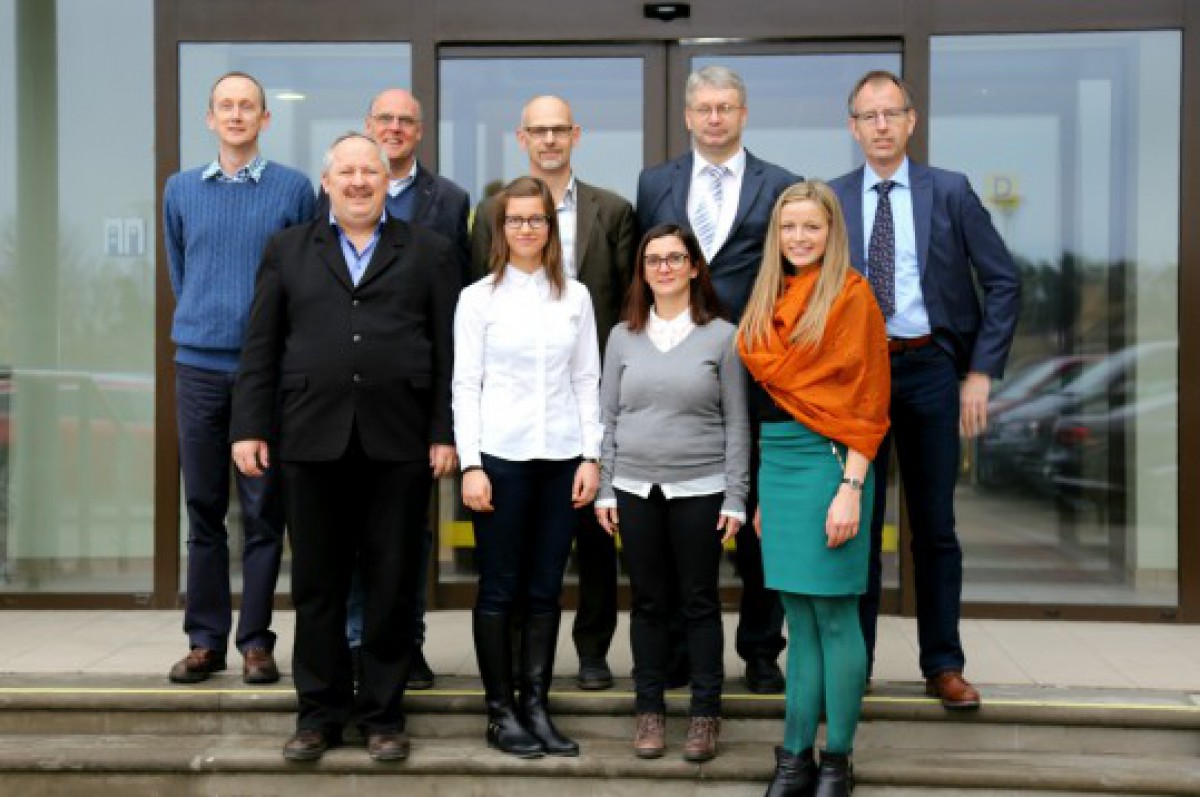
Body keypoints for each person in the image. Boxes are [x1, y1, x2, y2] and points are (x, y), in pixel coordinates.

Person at [231, 132, 459, 762]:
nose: (359, 182)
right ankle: (319, 715)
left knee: (392, 584)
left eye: (370, 172)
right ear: (326, 182)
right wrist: (249, 427)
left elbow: (449, 352)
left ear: (388, 182)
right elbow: (261, 345)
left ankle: (383, 716)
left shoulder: (429, 251)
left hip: (401, 441)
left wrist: (444, 432)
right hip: (310, 439)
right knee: (317, 585)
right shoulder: (287, 249)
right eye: (347, 172)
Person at [829, 70, 1020, 710]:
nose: (881, 126)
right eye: (869, 116)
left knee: (934, 525)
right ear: (853, 127)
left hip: (931, 370)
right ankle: (852, 665)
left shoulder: (951, 192)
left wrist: (980, 372)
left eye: (892, 113)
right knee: (856, 525)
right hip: (859, 377)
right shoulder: (832, 198)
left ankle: (943, 663)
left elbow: (1003, 281)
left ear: (911, 121)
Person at [636, 64, 797, 694]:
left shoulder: (778, 185)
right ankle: (678, 650)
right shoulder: (655, 183)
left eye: (725, 107)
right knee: (680, 511)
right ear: (687, 115)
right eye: (703, 108)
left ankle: (760, 649)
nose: (714, 117)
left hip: (756, 370)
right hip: (676, 373)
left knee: (757, 515)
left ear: (743, 113)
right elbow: (647, 267)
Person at [470, 95, 635, 691]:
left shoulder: (612, 210)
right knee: (517, 558)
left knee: (595, 535)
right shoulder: (495, 212)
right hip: (513, 420)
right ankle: (515, 663)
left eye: (558, 129)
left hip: (586, 398)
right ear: (522, 138)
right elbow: (482, 294)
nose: (548, 139)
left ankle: (592, 650)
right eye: (537, 130)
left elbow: (626, 302)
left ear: (575, 135)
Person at [737, 180, 890, 796]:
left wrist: (851, 487)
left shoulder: (852, 296)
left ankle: (837, 761)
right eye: (789, 227)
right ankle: (795, 757)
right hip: (778, 467)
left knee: (834, 615)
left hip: (833, 464)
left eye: (812, 227)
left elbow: (869, 402)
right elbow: (765, 407)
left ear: (832, 233)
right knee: (797, 619)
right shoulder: (767, 297)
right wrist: (761, 495)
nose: (799, 237)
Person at [162, 71, 315, 686]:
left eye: (246, 106)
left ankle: (255, 641)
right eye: (225, 106)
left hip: (265, 371)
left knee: (263, 512)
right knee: (203, 509)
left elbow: (305, 273)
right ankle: (204, 641)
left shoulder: (294, 189)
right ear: (210, 118)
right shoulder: (180, 189)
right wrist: (209, 321)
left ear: (264, 119)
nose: (235, 115)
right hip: (199, 366)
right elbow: (182, 270)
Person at [318, 88, 471, 692]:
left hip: (408, 399)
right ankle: (358, 643)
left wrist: (443, 416)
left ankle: (409, 644)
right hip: (344, 400)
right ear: (368, 126)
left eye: (407, 120)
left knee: (409, 539)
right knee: (352, 541)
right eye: (385, 118)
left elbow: (452, 306)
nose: (395, 127)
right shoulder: (334, 192)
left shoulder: (448, 200)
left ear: (420, 131)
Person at [454, 176, 602, 758]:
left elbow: (586, 380)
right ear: (501, 228)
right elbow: (465, 386)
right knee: (499, 588)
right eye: (515, 220)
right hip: (500, 460)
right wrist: (471, 465)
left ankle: (536, 707)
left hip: (562, 460)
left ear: (550, 227)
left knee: (545, 590)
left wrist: (591, 456)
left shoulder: (576, 298)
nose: (525, 229)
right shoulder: (478, 299)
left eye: (536, 219)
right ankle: (501, 713)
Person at [594, 224, 750, 763]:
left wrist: (736, 495)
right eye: (653, 259)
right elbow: (607, 416)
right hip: (634, 487)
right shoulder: (622, 336)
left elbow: (738, 422)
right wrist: (605, 488)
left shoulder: (722, 336)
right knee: (648, 602)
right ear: (642, 271)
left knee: (699, 601)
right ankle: (650, 711)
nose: (664, 267)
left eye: (675, 258)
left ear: (694, 267)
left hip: (701, 487)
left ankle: (705, 715)